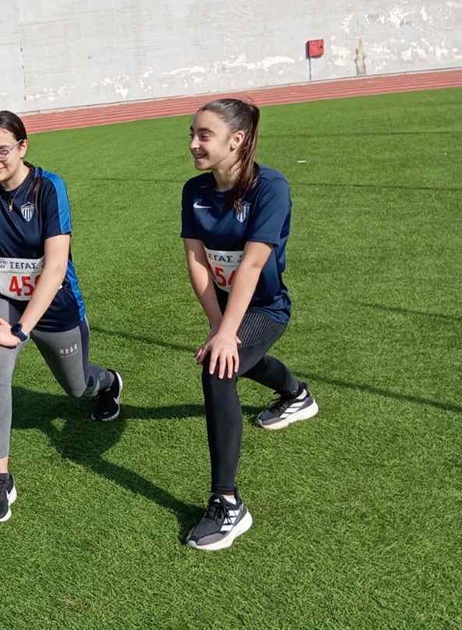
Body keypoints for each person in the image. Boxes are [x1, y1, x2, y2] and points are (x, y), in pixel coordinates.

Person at [0, 110, 123, 524]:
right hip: (4, 298)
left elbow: (56, 265)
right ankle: (0, 477)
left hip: (54, 307)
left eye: (1, 150)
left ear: (23, 147)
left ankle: (108, 382)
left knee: (77, 386)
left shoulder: (49, 187)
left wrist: (20, 331)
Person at [181, 98, 319, 551]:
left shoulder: (270, 187)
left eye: (204, 135)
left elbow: (253, 265)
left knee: (218, 369)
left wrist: (226, 334)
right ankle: (296, 394)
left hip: (265, 307)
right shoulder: (194, 190)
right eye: (192, 134)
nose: (194, 143)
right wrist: (217, 324)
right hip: (228, 310)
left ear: (236, 139)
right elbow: (196, 261)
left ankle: (228, 503)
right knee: (235, 357)